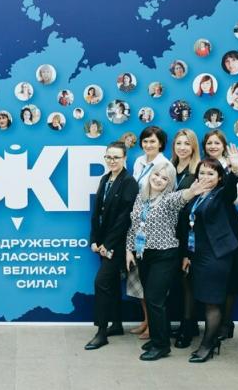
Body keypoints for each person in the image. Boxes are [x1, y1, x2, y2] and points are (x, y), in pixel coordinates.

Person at [124, 162, 207, 360]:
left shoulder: (170, 199)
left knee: (155, 299)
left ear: (170, 183)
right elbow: (134, 226)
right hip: (143, 255)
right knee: (151, 298)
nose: (159, 180)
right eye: (156, 175)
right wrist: (129, 250)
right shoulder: (141, 197)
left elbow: (183, 196)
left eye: (164, 178)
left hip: (165, 255)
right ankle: (157, 337)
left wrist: (192, 191)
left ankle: (161, 346)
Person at [180, 146, 238, 363]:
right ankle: (210, 341)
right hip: (197, 255)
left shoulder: (222, 194)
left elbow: (231, 189)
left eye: (210, 173)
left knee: (212, 302)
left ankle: (207, 345)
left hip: (217, 256)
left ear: (219, 178)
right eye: (202, 172)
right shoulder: (195, 194)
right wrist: (187, 254)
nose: (205, 176)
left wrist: (235, 171)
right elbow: (189, 227)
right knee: (204, 298)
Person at [85, 141, 138, 350]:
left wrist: (108, 244)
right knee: (113, 283)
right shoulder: (105, 178)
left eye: (116, 157)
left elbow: (125, 218)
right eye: (109, 157)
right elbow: (97, 213)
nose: (112, 160)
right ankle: (116, 324)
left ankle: (101, 332)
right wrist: (94, 240)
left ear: (125, 158)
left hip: (118, 243)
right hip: (103, 243)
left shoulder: (129, 182)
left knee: (101, 283)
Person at [201, 131, 238, 341]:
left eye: (217, 143)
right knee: (212, 278)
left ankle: (225, 324)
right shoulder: (203, 166)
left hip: (228, 226)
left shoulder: (231, 166)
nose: (213, 146)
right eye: (209, 143)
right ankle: (212, 323)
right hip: (206, 229)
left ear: (223, 146)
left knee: (231, 277)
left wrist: (235, 170)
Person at [128, 126, 169, 339]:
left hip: (155, 231)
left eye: (152, 141)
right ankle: (146, 320)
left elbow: (167, 197)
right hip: (138, 225)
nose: (148, 145)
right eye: (145, 141)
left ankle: (154, 326)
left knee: (153, 286)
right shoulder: (139, 161)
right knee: (140, 281)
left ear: (160, 143)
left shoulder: (165, 165)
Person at [169, 129, 201, 349]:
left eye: (186, 143)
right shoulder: (169, 168)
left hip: (189, 232)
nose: (182, 147)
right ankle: (186, 322)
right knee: (178, 282)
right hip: (170, 232)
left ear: (193, 147)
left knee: (188, 281)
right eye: (178, 143)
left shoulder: (198, 171)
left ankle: (187, 328)